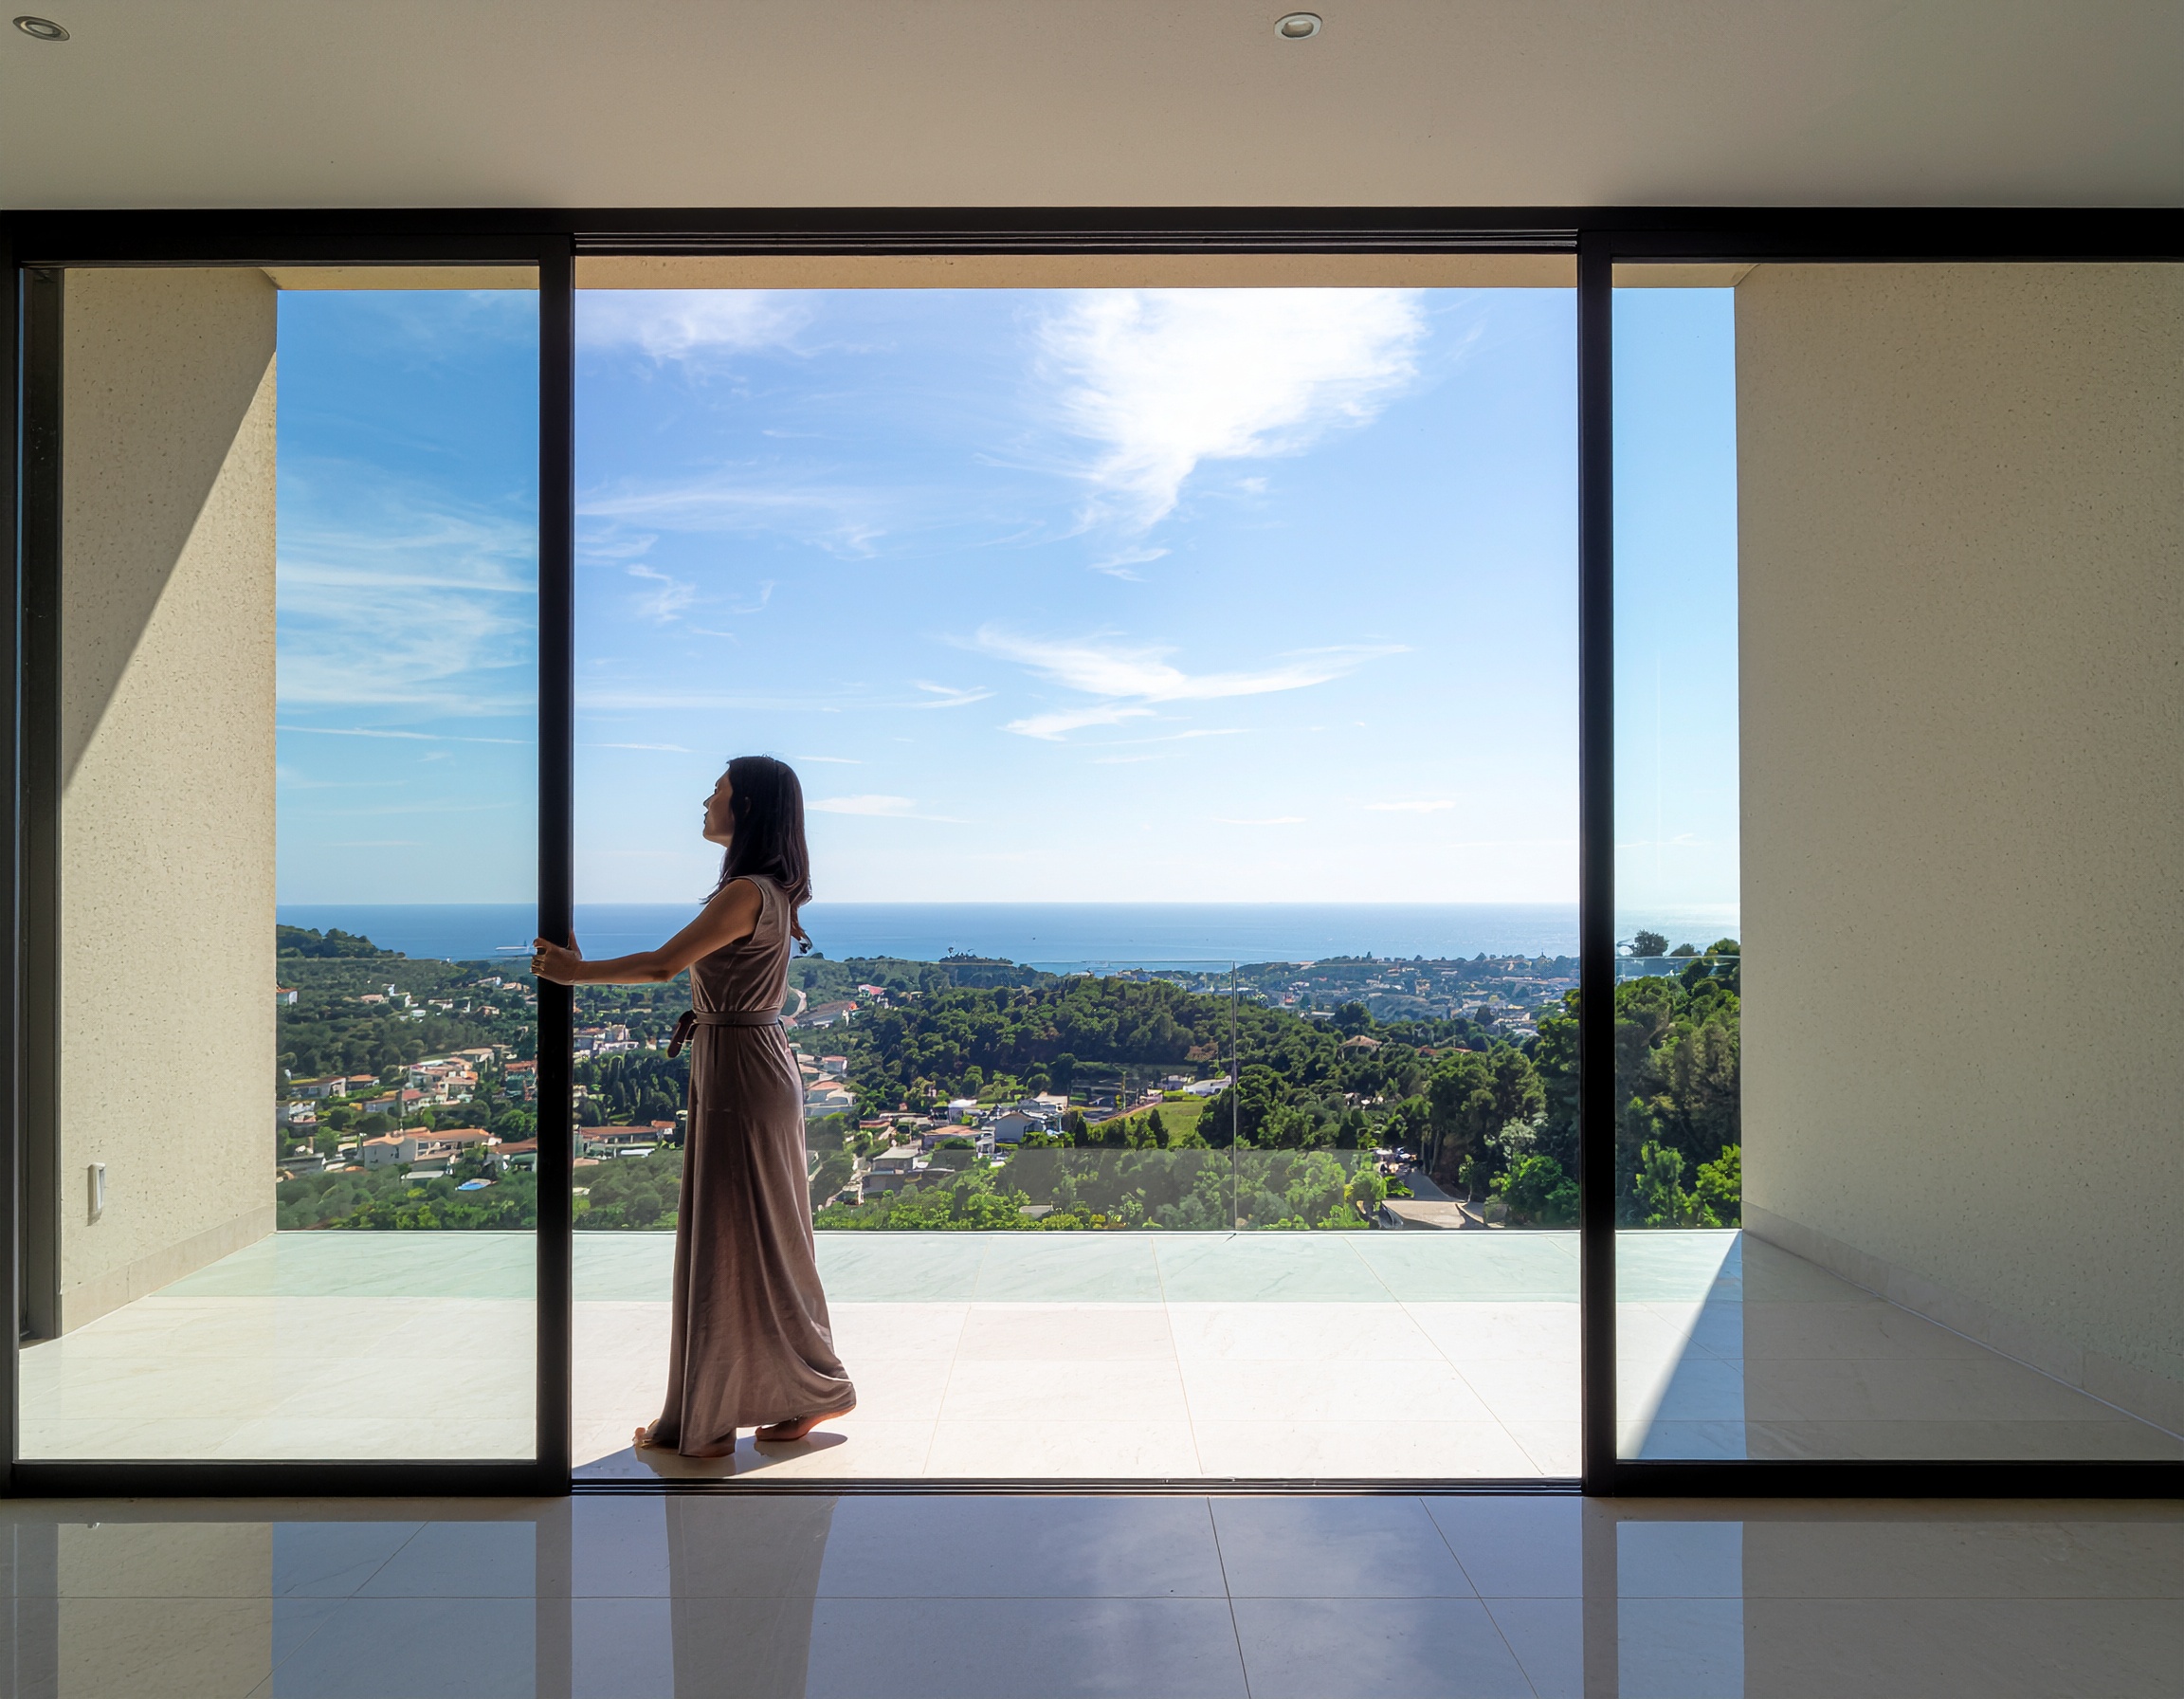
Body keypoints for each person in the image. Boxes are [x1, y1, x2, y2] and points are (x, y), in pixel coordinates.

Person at [532, 755, 856, 1458]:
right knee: (758, 1240)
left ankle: (726, 1411)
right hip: (743, 1063)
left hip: (743, 1069)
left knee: (737, 1241)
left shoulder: (745, 891)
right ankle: (790, 1394)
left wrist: (571, 972)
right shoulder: (766, 889)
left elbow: (661, 965)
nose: (704, 804)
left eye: (717, 793)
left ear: (746, 811)